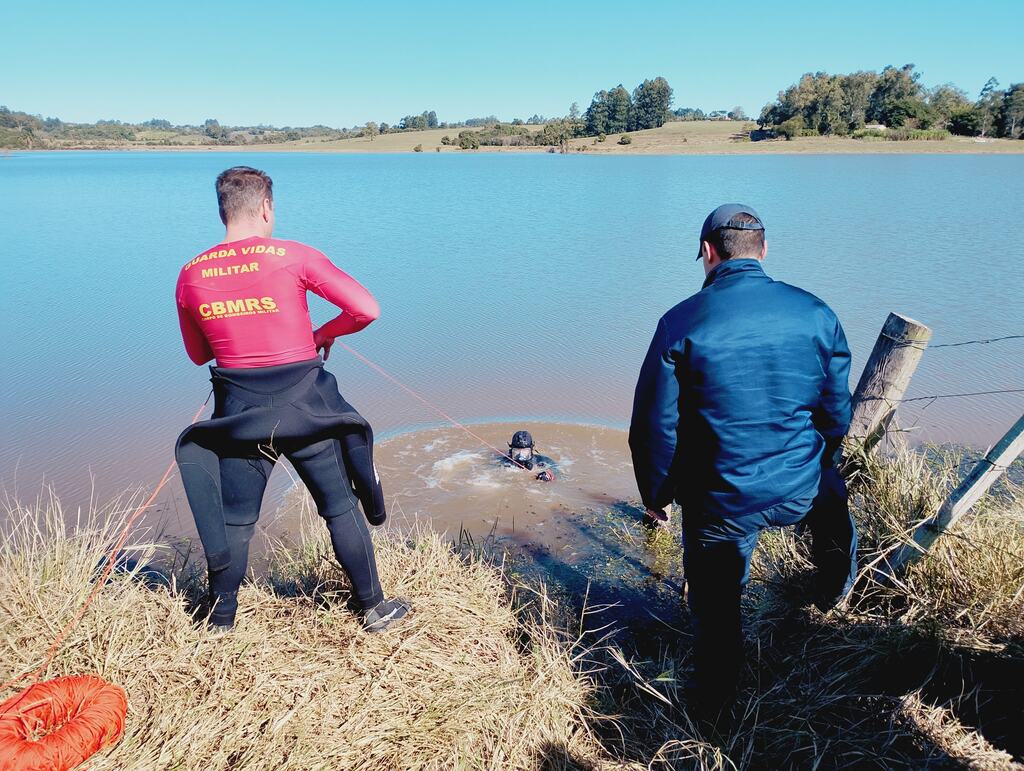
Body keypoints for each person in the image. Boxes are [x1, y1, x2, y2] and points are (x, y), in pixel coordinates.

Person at [628, 203, 857, 721]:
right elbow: (836, 410)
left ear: (708, 253)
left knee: (717, 610)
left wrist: (658, 497)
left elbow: (653, 428)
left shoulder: (680, 322)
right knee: (834, 503)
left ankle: (715, 713)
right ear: (764, 251)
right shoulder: (817, 313)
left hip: (722, 499)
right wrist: (819, 463)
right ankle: (831, 597)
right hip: (799, 484)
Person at [174, 166, 409, 633]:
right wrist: (322, 333)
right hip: (307, 412)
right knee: (340, 505)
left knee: (237, 521)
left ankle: (220, 620)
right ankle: (373, 609)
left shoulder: (190, 274)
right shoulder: (294, 256)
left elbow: (199, 354)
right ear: (266, 207)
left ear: (222, 210)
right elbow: (367, 308)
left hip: (239, 417)